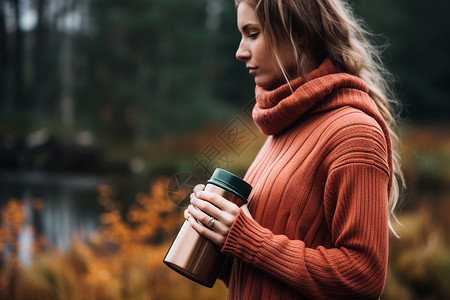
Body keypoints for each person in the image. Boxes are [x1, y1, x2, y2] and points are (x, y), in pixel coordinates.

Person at [185, 0, 404, 299]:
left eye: (252, 33)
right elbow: (264, 275)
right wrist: (217, 230)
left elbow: (363, 278)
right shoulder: (285, 128)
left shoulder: (354, 132)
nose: (240, 51)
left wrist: (248, 240)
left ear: (299, 32)